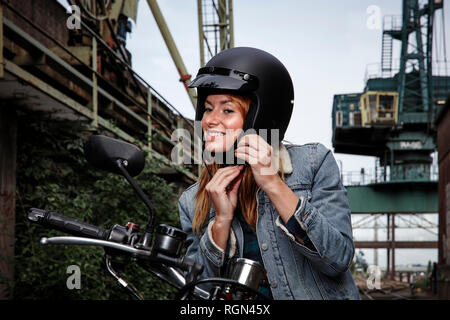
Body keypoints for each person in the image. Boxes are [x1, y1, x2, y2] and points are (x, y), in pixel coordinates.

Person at [178, 47, 361, 300]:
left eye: (227, 110)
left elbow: (337, 260)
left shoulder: (313, 164)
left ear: (262, 116)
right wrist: (220, 220)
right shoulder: (191, 201)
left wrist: (273, 185)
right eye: (208, 109)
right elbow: (199, 294)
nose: (210, 120)